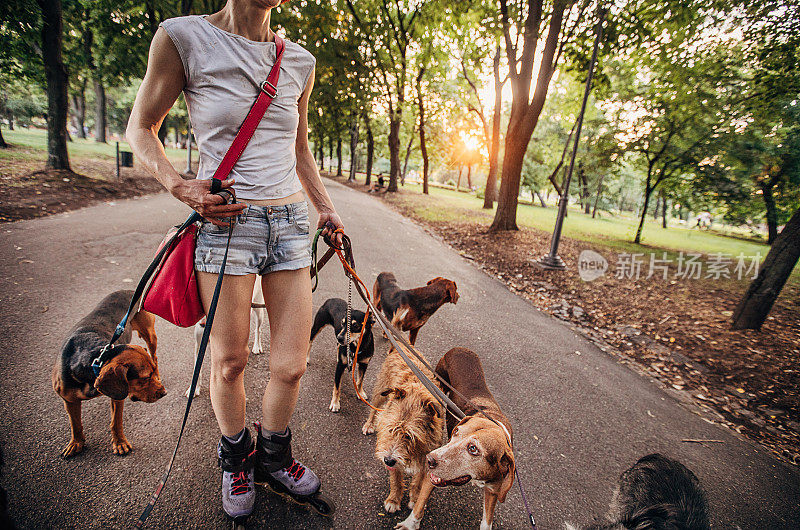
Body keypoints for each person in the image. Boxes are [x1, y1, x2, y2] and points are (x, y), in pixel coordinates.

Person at [126, 0, 343, 523]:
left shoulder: (299, 62)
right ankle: (235, 457)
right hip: (226, 225)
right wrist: (180, 185)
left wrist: (328, 211)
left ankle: (273, 456)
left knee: (291, 365)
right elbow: (141, 127)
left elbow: (300, 149)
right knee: (230, 360)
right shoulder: (182, 38)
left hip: (290, 223)